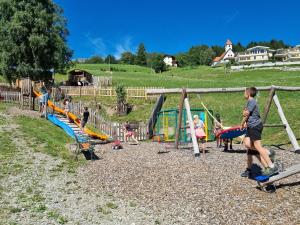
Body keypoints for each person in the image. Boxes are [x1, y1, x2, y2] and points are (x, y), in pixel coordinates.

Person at [240, 87, 277, 177]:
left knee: (258, 146)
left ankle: (272, 167)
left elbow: (247, 114)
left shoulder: (252, 101)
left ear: (248, 93)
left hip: (255, 126)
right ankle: (268, 152)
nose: (243, 94)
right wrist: (245, 116)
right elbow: (245, 113)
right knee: (247, 144)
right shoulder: (249, 102)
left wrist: (242, 123)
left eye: (244, 92)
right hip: (250, 127)